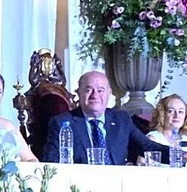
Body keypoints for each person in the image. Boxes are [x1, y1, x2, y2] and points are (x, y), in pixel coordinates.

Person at [43, 70, 172, 165]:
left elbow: (148, 147)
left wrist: (180, 156)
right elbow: (52, 162)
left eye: (100, 90)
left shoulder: (121, 119)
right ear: (79, 93)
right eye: (88, 90)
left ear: (109, 93)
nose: (95, 95)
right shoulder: (62, 123)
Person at [152, 93, 187, 167]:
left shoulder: (185, 140)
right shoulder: (153, 138)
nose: (176, 116)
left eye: (180, 112)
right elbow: (141, 166)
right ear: (162, 114)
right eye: (171, 111)